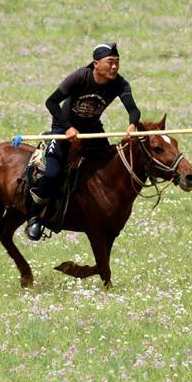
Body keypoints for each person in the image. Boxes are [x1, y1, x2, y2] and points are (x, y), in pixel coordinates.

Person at [25, 42, 141, 240]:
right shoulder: (80, 77)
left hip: (92, 130)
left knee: (109, 167)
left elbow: (133, 109)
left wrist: (132, 125)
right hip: (63, 129)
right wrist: (68, 128)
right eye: (110, 62)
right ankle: (35, 218)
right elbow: (51, 102)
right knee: (51, 174)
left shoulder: (120, 84)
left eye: (117, 63)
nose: (114, 67)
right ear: (96, 63)